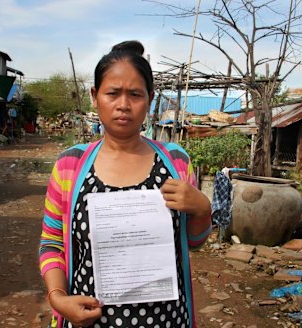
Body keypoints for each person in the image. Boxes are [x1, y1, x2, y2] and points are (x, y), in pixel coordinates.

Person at [39, 40, 212, 328]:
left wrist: (202, 209)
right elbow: (51, 243)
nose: (123, 105)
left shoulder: (176, 163)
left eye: (135, 94)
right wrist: (57, 297)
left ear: (150, 98)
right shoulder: (70, 166)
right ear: (95, 96)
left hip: (166, 320)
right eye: (112, 93)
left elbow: (193, 242)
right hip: (90, 321)